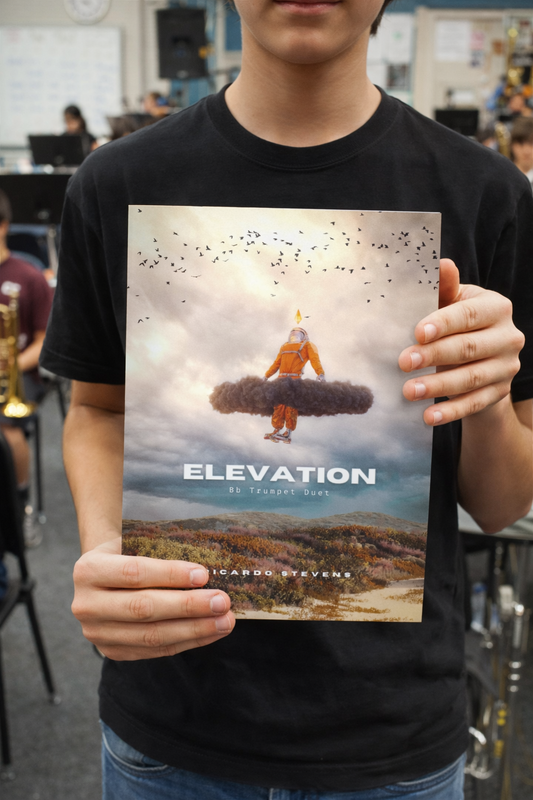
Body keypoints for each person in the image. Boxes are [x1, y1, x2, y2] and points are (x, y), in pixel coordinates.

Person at [41, 0, 533, 797]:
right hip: (171, 724)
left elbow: (502, 502)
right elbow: (98, 409)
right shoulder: (118, 182)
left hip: (393, 738)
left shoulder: (487, 195)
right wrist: (104, 550)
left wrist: (485, 393)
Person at [0, 189, 53, 547]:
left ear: (3, 226)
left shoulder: (29, 276)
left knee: (6, 428)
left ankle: (20, 508)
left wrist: (10, 365)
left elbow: (43, 342)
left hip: (20, 376)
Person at [264, 326, 325, 443]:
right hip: (281, 380)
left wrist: (320, 373)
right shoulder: (284, 346)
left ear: (304, 336)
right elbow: (276, 364)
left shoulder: (307, 345)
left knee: (290, 407)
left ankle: (288, 433)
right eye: (293, 334)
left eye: (298, 334)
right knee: (278, 406)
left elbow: (315, 360)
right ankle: (276, 430)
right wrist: (266, 376)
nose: (295, 336)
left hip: (294, 380)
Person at [510, 117, 533, 188]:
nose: (526, 151)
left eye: (531, 143)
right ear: (512, 145)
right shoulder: (502, 176)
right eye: (520, 143)